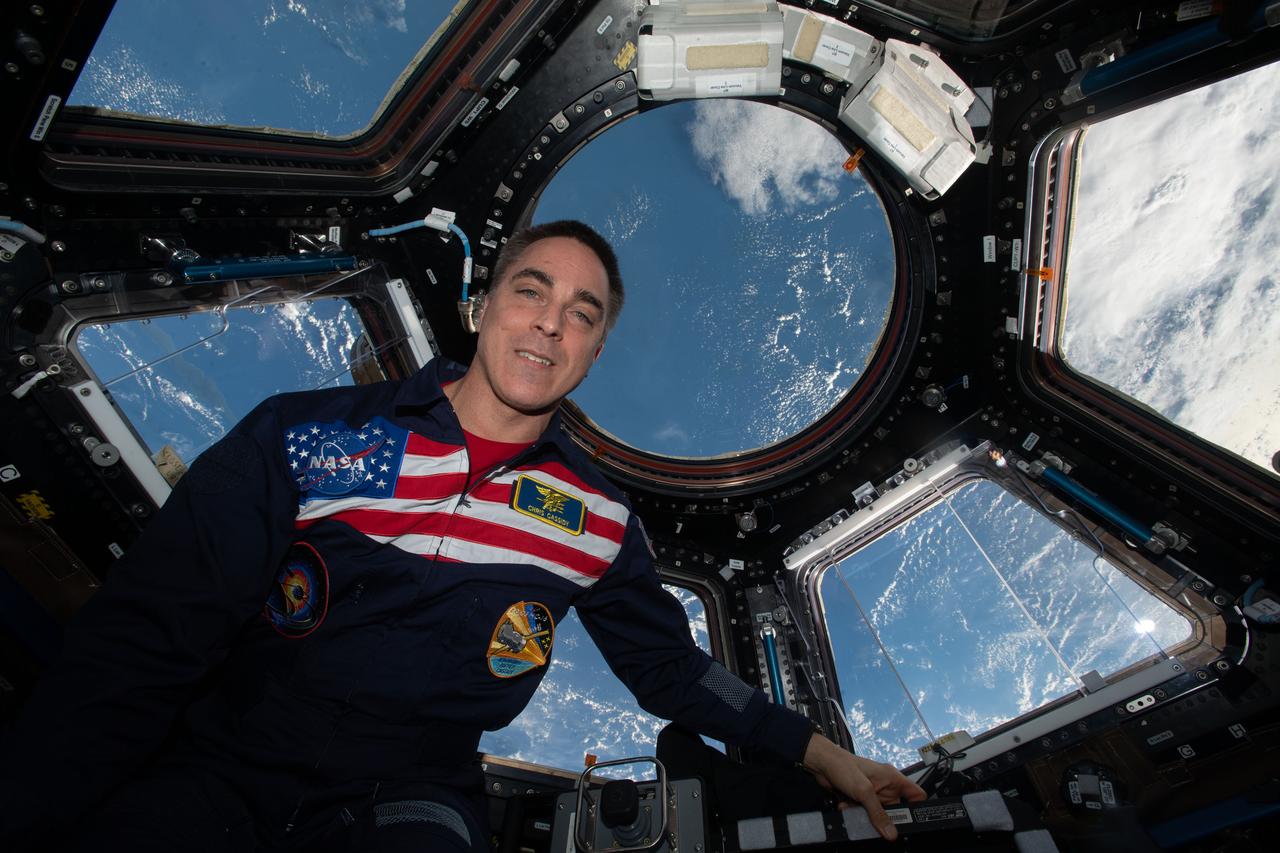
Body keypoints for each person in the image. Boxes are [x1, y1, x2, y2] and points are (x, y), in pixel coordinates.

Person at [0, 220, 924, 851]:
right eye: (533, 291)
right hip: (223, 765)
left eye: (583, 313)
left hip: (410, 797)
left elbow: (677, 671)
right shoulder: (310, 431)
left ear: (594, 352)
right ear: (483, 307)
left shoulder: (598, 521)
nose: (551, 322)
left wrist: (823, 755)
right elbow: (153, 630)